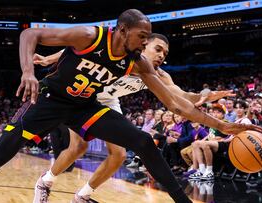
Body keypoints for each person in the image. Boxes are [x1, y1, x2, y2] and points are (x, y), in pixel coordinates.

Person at [0, 9, 262, 203]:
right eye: (142, 37)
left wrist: (221, 125)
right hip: (49, 100)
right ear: (123, 30)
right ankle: (46, 181)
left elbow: (175, 102)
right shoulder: (90, 36)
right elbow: (29, 35)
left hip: (85, 106)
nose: (144, 43)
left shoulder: (139, 63)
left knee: (142, 140)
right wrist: (28, 70)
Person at [33, 33, 237, 202]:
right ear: (144, 45)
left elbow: (181, 95)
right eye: (158, 49)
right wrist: (48, 59)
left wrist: (204, 96)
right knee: (78, 147)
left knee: (119, 155)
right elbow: (80, 49)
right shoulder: (122, 54)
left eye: (165, 53)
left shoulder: (159, 74)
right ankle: (45, 182)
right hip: (87, 95)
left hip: (109, 101)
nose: (162, 56)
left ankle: (82, 196)